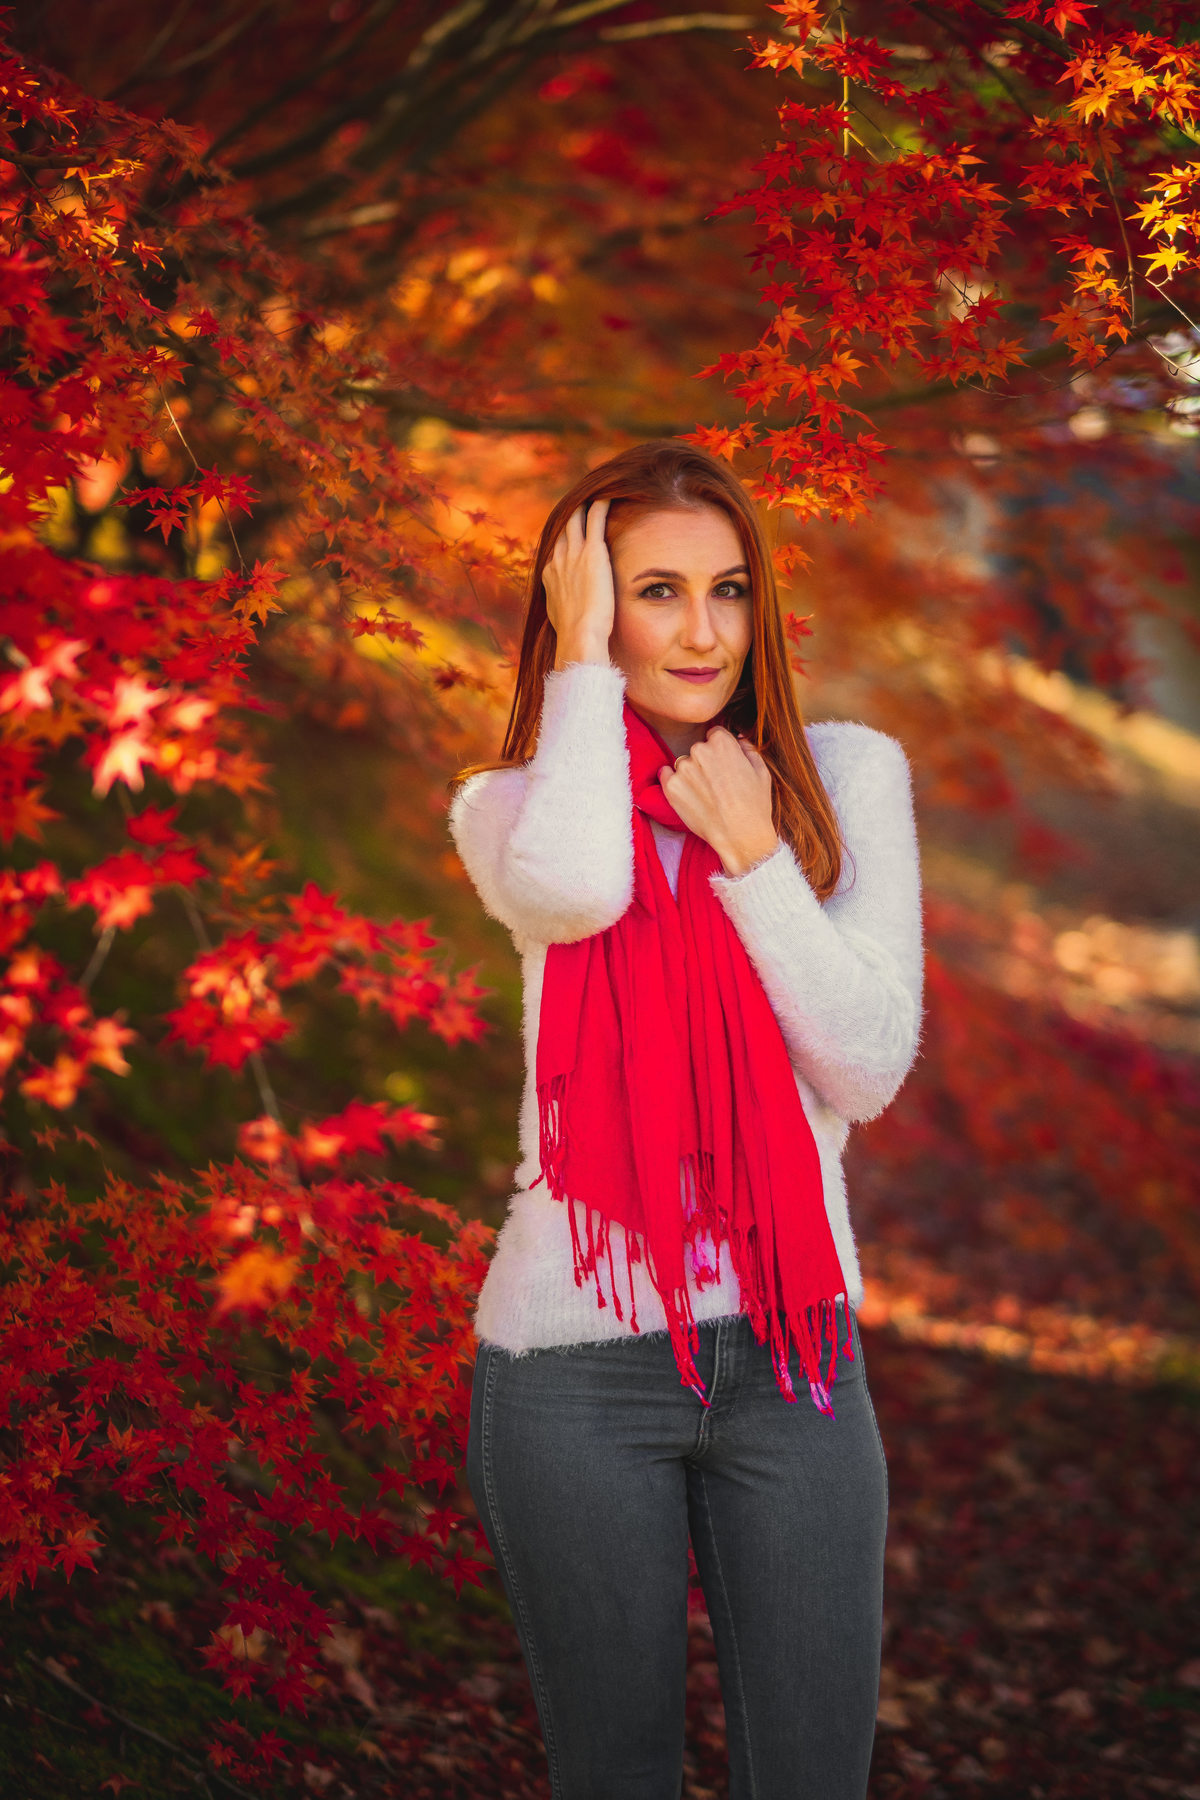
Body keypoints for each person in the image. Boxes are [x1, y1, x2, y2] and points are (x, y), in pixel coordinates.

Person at [446, 439, 923, 1800]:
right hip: (574, 1375)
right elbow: (585, 890)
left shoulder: (845, 779)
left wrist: (757, 853)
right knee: (617, 1778)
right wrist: (583, 662)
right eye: (655, 591)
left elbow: (868, 1067)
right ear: (588, 601)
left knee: (814, 1778)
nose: (702, 629)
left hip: (795, 1358)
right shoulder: (513, 807)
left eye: (727, 590)